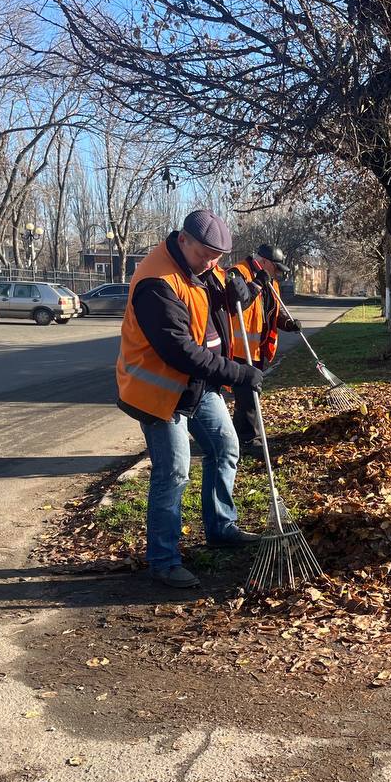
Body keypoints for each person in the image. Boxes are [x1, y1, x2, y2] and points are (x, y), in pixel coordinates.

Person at [115, 209, 266, 588]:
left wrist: (242, 296)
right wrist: (239, 374)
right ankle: (163, 561)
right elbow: (179, 350)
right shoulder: (157, 282)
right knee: (174, 471)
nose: (212, 263)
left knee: (225, 447)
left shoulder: (202, 266)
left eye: (218, 256)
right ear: (183, 240)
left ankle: (221, 526)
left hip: (197, 385)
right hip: (159, 391)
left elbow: (218, 305)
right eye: (205, 254)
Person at [221, 244, 301, 458]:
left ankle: (243, 436)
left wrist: (288, 324)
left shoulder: (270, 282)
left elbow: (271, 313)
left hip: (256, 349)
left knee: (249, 394)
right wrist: (257, 283)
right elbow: (237, 302)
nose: (278, 273)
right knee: (248, 395)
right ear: (264, 262)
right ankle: (249, 439)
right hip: (238, 349)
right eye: (276, 268)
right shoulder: (238, 273)